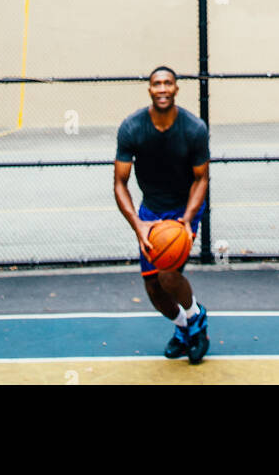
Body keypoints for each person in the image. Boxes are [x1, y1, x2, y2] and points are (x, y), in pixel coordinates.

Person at [114, 66, 210, 363]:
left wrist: (188, 219)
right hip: (152, 211)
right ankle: (182, 329)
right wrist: (139, 226)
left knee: (168, 277)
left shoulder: (194, 129)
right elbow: (120, 183)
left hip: (184, 207)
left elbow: (201, 179)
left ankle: (197, 320)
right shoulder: (132, 128)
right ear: (150, 90)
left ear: (176, 89)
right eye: (157, 84)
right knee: (153, 287)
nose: (163, 88)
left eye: (168, 83)